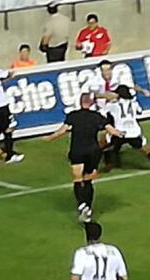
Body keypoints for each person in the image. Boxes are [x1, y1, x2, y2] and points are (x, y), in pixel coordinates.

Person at [45, 93, 125, 222]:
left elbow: (62, 131)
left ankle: (82, 204)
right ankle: (88, 207)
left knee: (77, 178)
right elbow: (111, 129)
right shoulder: (97, 116)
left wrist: (50, 138)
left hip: (77, 150)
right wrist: (120, 134)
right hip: (93, 151)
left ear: (80, 102)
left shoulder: (73, 115)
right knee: (88, 180)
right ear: (91, 103)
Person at [100, 85, 150, 178]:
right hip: (133, 132)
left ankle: (109, 164)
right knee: (145, 149)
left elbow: (102, 113)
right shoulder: (134, 103)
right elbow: (139, 112)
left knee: (109, 146)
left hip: (119, 132)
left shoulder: (113, 105)